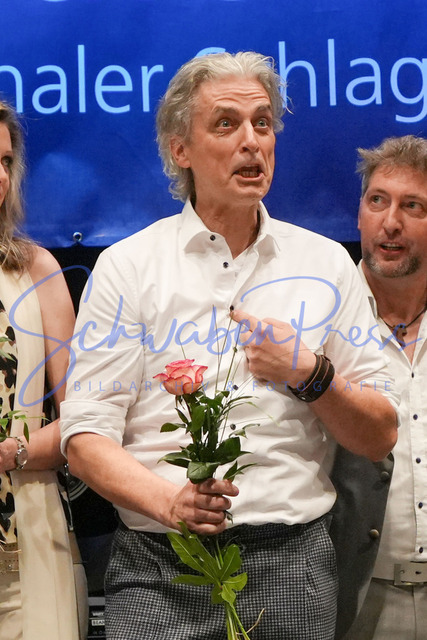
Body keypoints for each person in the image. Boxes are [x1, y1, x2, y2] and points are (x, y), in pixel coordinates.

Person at [60, 52, 398, 640]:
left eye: (263, 123)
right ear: (180, 149)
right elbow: (85, 437)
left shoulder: (326, 265)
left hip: (292, 565)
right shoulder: (127, 268)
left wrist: (311, 374)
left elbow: (379, 435)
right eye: (226, 124)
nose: (251, 142)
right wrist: (170, 503)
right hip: (159, 566)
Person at [0, 101, 87, 640]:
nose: (0, 175)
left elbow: (84, 420)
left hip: (32, 533)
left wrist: (13, 453)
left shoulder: (37, 270)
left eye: (6, 161)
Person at [337, 135, 427, 639]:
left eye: (413, 206)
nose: (390, 222)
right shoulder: (319, 318)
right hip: (355, 597)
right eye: (378, 200)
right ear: (359, 214)